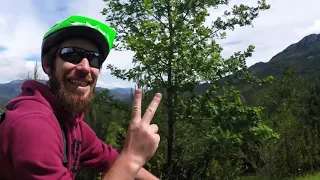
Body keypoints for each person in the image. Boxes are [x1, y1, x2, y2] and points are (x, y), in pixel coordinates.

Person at [0, 15, 162, 180]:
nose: (85, 67)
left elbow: (112, 161)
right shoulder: (33, 126)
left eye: (94, 59)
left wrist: (129, 161)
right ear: (48, 65)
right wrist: (132, 158)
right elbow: (125, 163)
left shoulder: (70, 122)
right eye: (72, 55)